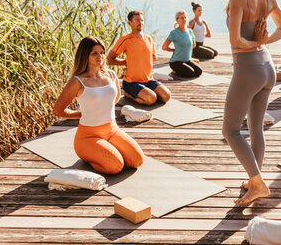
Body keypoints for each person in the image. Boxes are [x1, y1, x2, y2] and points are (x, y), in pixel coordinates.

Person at [222, 0, 281, 204]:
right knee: (255, 128)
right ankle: (254, 180)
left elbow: (235, 41)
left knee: (230, 130)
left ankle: (258, 182)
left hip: (247, 70)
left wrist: (254, 42)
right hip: (267, 68)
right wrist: (263, 42)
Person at [53, 36, 144, 174]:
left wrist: (100, 110)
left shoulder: (111, 75)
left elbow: (115, 98)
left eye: (102, 52)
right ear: (85, 56)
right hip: (88, 137)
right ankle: (90, 156)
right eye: (94, 53)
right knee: (116, 166)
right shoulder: (77, 82)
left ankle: (104, 150)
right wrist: (83, 115)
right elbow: (58, 111)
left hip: (112, 130)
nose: (100, 56)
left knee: (137, 160)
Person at [108, 11, 171, 105]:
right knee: (152, 99)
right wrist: (127, 62)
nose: (140, 22)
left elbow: (154, 57)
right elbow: (109, 59)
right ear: (129, 23)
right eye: (137, 20)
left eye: (142, 20)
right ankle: (128, 94)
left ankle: (145, 92)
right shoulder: (125, 39)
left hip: (149, 80)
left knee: (166, 96)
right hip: (131, 82)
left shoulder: (149, 38)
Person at [162, 10, 202, 78]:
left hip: (187, 60)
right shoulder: (174, 33)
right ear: (177, 20)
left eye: (185, 17)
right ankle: (175, 71)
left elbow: (193, 45)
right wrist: (173, 50)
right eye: (181, 18)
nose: (184, 19)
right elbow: (164, 47)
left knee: (198, 72)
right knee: (190, 73)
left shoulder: (190, 31)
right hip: (176, 62)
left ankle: (184, 67)